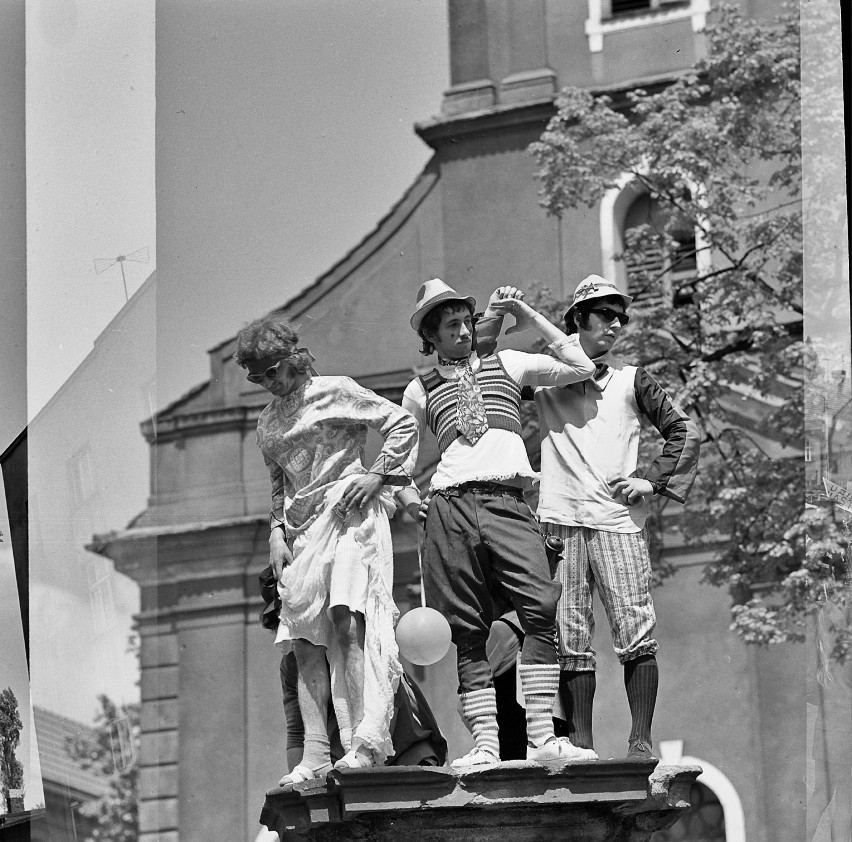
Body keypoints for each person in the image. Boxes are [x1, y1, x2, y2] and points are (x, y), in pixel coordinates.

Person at [487, 274, 700, 760]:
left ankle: (640, 738)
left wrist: (652, 481)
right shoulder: (543, 378)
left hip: (617, 521)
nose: (616, 324)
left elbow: (683, 431)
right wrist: (502, 313)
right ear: (578, 319)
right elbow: (486, 379)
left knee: (635, 629)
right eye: (605, 314)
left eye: (620, 316)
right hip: (560, 520)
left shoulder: (631, 378)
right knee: (570, 635)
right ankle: (581, 741)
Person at [402, 278, 597, 769]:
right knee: (466, 629)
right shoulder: (419, 389)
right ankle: (485, 745)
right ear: (431, 335)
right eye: (451, 325)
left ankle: (541, 738)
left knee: (539, 607)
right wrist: (408, 498)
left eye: (467, 321)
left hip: (506, 501)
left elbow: (581, 366)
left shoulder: (508, 363)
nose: (464, 330)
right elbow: (396, 457)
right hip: (449, 508)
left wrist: (527, 316)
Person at [235, 313, 421, 785]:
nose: (266, 383)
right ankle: (316, 752)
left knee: (347, 620)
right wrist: (276, 531)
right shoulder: (266, 421)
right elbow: (277, 484)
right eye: (255, 377)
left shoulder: (336, 390)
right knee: (302, 641)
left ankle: (363, 739)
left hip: (348, 514)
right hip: (300, 532)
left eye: (271, 372)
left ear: (292, 359)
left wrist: (377, 473)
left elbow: (400, 423)